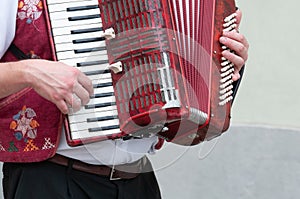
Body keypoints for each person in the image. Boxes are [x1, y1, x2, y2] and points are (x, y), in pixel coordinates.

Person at [0, 0, 249, 198]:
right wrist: (29, 72)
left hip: (138, 180)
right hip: (51, 180)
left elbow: (184, 124)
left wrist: (221, 62)